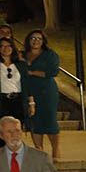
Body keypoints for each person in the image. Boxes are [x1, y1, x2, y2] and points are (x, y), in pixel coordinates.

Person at [21, 30, 62, 160]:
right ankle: (39, 150)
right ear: (28, 40)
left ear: (43, 41)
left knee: (49, 120)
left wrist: (31, 72)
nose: (36, 40)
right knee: (34, 121)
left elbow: (52, 71)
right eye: (33, 38)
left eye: (39, 38)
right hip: (28, 91)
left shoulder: (50, 55)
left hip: (46, 91)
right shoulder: (22, 55)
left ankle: (56, 149)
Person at [0, 38, 28, 150]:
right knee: (3, 134)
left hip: (17, 101)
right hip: (2, 101)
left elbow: (27, 85)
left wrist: (31, 103)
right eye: (2, 46)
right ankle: (3, 161)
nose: (6, 49)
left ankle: (17, 158)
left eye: (8, 46)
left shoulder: (21, 64)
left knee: (16, 132)